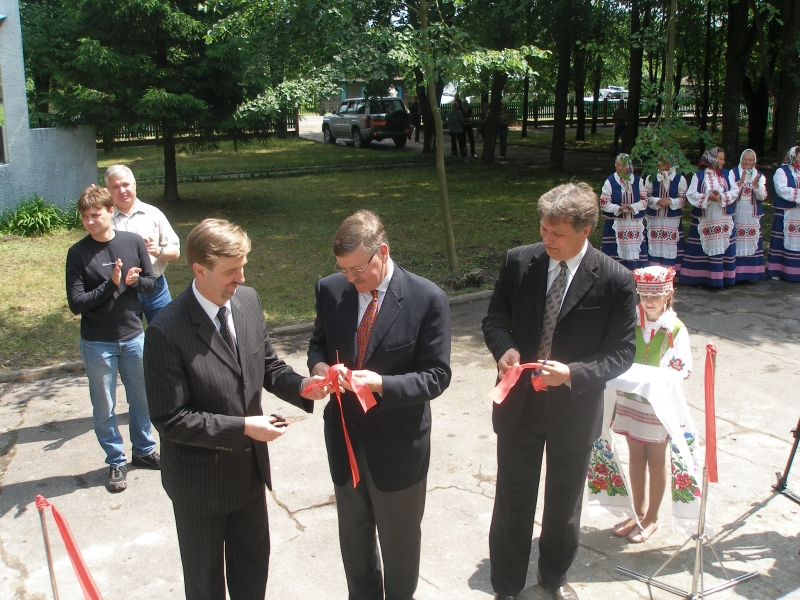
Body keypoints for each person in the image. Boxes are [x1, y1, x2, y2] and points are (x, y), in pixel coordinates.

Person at [143, 219, 328, 600]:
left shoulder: (247, 300)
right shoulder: (165, 331)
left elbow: (267, 364)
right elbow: (170, 419)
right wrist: (244, 427)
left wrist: (303, 386)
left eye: (243, 267)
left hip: (248, 478)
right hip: (199, 487)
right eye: (231, 271)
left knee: (252, 575)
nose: (241, 278)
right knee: (205, 585)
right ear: (199, 270)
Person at [483, 183, 637, 600]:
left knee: (563, 507)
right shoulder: (519, 262)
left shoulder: (615, 279)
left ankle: (552, 580)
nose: (547, 239)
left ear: (586, 230)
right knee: (512, 502)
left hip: (573, 407)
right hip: (519, 405)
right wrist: (504, 348)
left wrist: (572, 373)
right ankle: (506, 586)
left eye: (557, 233)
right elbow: (495, 318)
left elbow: (622, 352)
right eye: (543, 229)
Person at [308, 210, 452, 600]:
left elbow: (436, 376)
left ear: (382, 253)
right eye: (343, 270)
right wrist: (320, 369)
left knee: (400, 545)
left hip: (398, 446)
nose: (350, 280)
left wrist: (381, 384)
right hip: (345, 440)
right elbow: (318, 345)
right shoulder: (330, 290)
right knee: (354, 541)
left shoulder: (427, 298)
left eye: (358, 270)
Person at [66, 184, 159, 493]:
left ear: (110, 212)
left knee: (141, 398)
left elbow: (151, 284)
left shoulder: (132, 242)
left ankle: (144, 450)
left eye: (95, 215)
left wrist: (134, 282)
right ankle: (116, 461)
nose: (90, 221)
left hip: (133, 336)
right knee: (104, 406)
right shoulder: (78, 253)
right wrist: (111, 284)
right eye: (85, 217)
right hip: (97, 342)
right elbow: (76, 303)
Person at [609, 266, 692, 543]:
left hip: (658, 406)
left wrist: (657, 378)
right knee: (635, 457)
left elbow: (682, 369)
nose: (649, 301)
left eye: (656, 295)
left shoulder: (675, 329)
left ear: (669, 294)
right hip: (631, 401)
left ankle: (652, 517)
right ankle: (638, 511)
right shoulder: (631, 322)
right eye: (644, 296)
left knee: (656, 461)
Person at [107, 164, 180, 324]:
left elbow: (175, 252)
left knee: (166, 334)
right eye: (115, 187)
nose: (122, 190)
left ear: (134, 184)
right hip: (123, 292)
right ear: (108, 190)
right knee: (130, 338)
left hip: (156, 290)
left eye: (126, 184)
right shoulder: (105, 220)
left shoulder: (153, 214)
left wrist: (158, 251)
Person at [678, 148, 738, 287]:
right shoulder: (699, 175)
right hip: (705, 217)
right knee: (702, 247)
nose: (723, 162)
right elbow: (691, 194)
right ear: (712, 160)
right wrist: (708, 197)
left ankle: (722, 278)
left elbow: (735, 191)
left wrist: (721, 196)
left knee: (722, 246)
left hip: (722, 217)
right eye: (720, 159)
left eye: (723, 159)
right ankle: (700, 278)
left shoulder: (727, 174)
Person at [600, 153, 649, 269]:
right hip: (616, 224)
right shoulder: (610, 181)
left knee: (634, 251)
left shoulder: (638, 181)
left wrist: (632, 207)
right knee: (614, 252)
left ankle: (635, 274)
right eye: (617, 164)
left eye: (621, 165)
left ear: (629, 166)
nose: (618, 167)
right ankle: (614, 276)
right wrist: (618, 208)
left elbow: (645, 201)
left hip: (633, 224)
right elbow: (604, 203)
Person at [643, 158, 687, 273]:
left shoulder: (679, 178)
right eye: (659, 160)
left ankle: (668, 274)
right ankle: (653, 274)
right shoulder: (652, 177)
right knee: (654, 245)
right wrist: (657, 201)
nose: (659, 163)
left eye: (662, 161)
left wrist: (671, 201)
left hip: (670, 219)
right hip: (655, 218)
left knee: (669, 246)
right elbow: (645, 196)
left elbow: (683, 199)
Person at [730, 149, 767, 282]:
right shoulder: (733, 172)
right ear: (741, 160)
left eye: (750, 160)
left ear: (754, 161)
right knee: (736, 240)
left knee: (751, 240)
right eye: (745, 159)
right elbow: (730, 192)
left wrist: (756, 186)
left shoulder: (759, 175)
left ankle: (751, 274)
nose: (747, 162)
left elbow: (762, 197)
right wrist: (741, 181)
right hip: (737, 210)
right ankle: (735, 273)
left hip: (751, 212)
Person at [767, 146, 800, 281]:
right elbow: (781, 189)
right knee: (783, 239)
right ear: (793, 156)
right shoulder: (782, 171)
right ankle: (779, 270)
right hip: (786, 211)